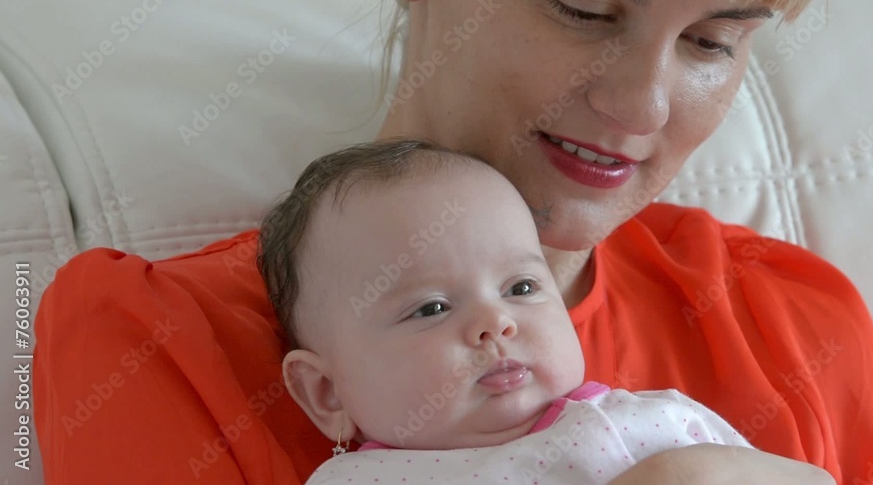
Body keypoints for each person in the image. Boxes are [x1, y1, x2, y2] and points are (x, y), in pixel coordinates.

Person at [34, 0, 873, 483]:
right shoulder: (160, 339)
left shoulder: (794, 322)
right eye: (583, 9)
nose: (642, 108)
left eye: (712, 41)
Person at [258, 139, 756, 484]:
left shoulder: (652, 423)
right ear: (328, 392)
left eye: (521, 287)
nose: (496, 323)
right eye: (431, 308)